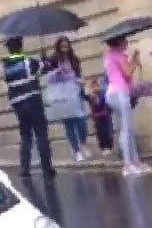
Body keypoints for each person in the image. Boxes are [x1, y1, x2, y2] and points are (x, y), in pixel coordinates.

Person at [6, 36, 53, 179]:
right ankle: (47, 168)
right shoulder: (29, 62)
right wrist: (44, 61)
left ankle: (25, 169)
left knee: (25, 135)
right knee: (41, 134)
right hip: (33, 101)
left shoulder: (7, 65)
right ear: (21, 46)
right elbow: (44, 69)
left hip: (19, 105)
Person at [103, 35, 150, 176]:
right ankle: (128, 164)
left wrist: (132, 61)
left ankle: (135, 161)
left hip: (112, 94)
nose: (127, 43)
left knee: (127, 128)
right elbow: (127, 73)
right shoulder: (118, 55)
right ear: (118, 41)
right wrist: (134, 60)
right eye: (124, 40)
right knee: (127, 129)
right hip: (120, 93)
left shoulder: (109, 56)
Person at [41, 37, 90, 163]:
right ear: (58, 47)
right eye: (62, 46)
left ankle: (83, 144)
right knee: (69, 123)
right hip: (61, 95)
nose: (64, 49)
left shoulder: (74, 59)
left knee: (81, 121)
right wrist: (54, 71)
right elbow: (46, 76)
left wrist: (80, 81)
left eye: (66, 46)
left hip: (75, 92)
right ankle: (76, 151)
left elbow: (79, 75)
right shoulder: (52, 60)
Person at [86, 76, 114, 157]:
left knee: (108, 131)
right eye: (93, 86)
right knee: (100, 133)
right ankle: (103, 148)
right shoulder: (91, 96)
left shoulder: (103, 94)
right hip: (97, 118)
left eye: (96, 85)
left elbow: (107, 103)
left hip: (106, 116)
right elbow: (83, 95)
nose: (95, 88)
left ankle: (108, 147)